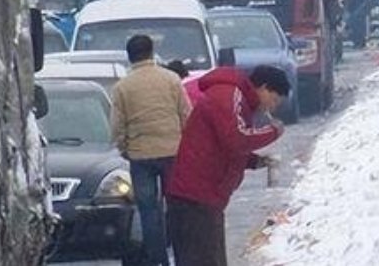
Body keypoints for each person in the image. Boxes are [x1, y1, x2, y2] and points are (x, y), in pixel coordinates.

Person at [166, 65, 290, 266]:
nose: (272, 107)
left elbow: (225, 147)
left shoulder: (238, 101)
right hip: (196, 195)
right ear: (264, 87)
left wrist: (254, 161)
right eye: (274, 99)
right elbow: (236, 139)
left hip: (205, 196)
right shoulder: (228, 95)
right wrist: (273, 131)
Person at [110, 35, 192, 266]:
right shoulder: (171, 79)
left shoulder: (122, 87)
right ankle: (182, 256)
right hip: (172, 151)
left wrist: (124, 147)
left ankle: (159, 260)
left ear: (130, 56)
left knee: (148, 212)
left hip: (140, 155)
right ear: (151, 52)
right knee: (175, 206)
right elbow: (186, 113)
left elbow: (117, 124)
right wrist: (184, 143)